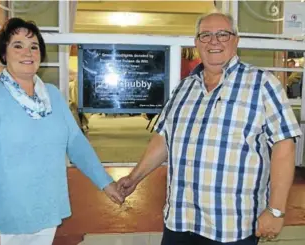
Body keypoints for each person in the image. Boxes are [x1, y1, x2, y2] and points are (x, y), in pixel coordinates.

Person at [117, 12, 302, 245]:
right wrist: (135, 178)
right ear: (196, 43)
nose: (214, 41)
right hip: (180, 221)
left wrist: (276, 209)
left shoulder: (262, 84)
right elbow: (164, 138)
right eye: (205, 35)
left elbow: (284, 146)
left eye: (222, 34)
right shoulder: (184, 88)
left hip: (232, 226)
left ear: (236, 40)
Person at [0, 17, 124, 245]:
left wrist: (106, 183)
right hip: (4, 220)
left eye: (34, 46)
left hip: (46, 213)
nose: (27, 53)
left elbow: (76, 143)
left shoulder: (52, 95)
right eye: (17, 45)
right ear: (4, 53)